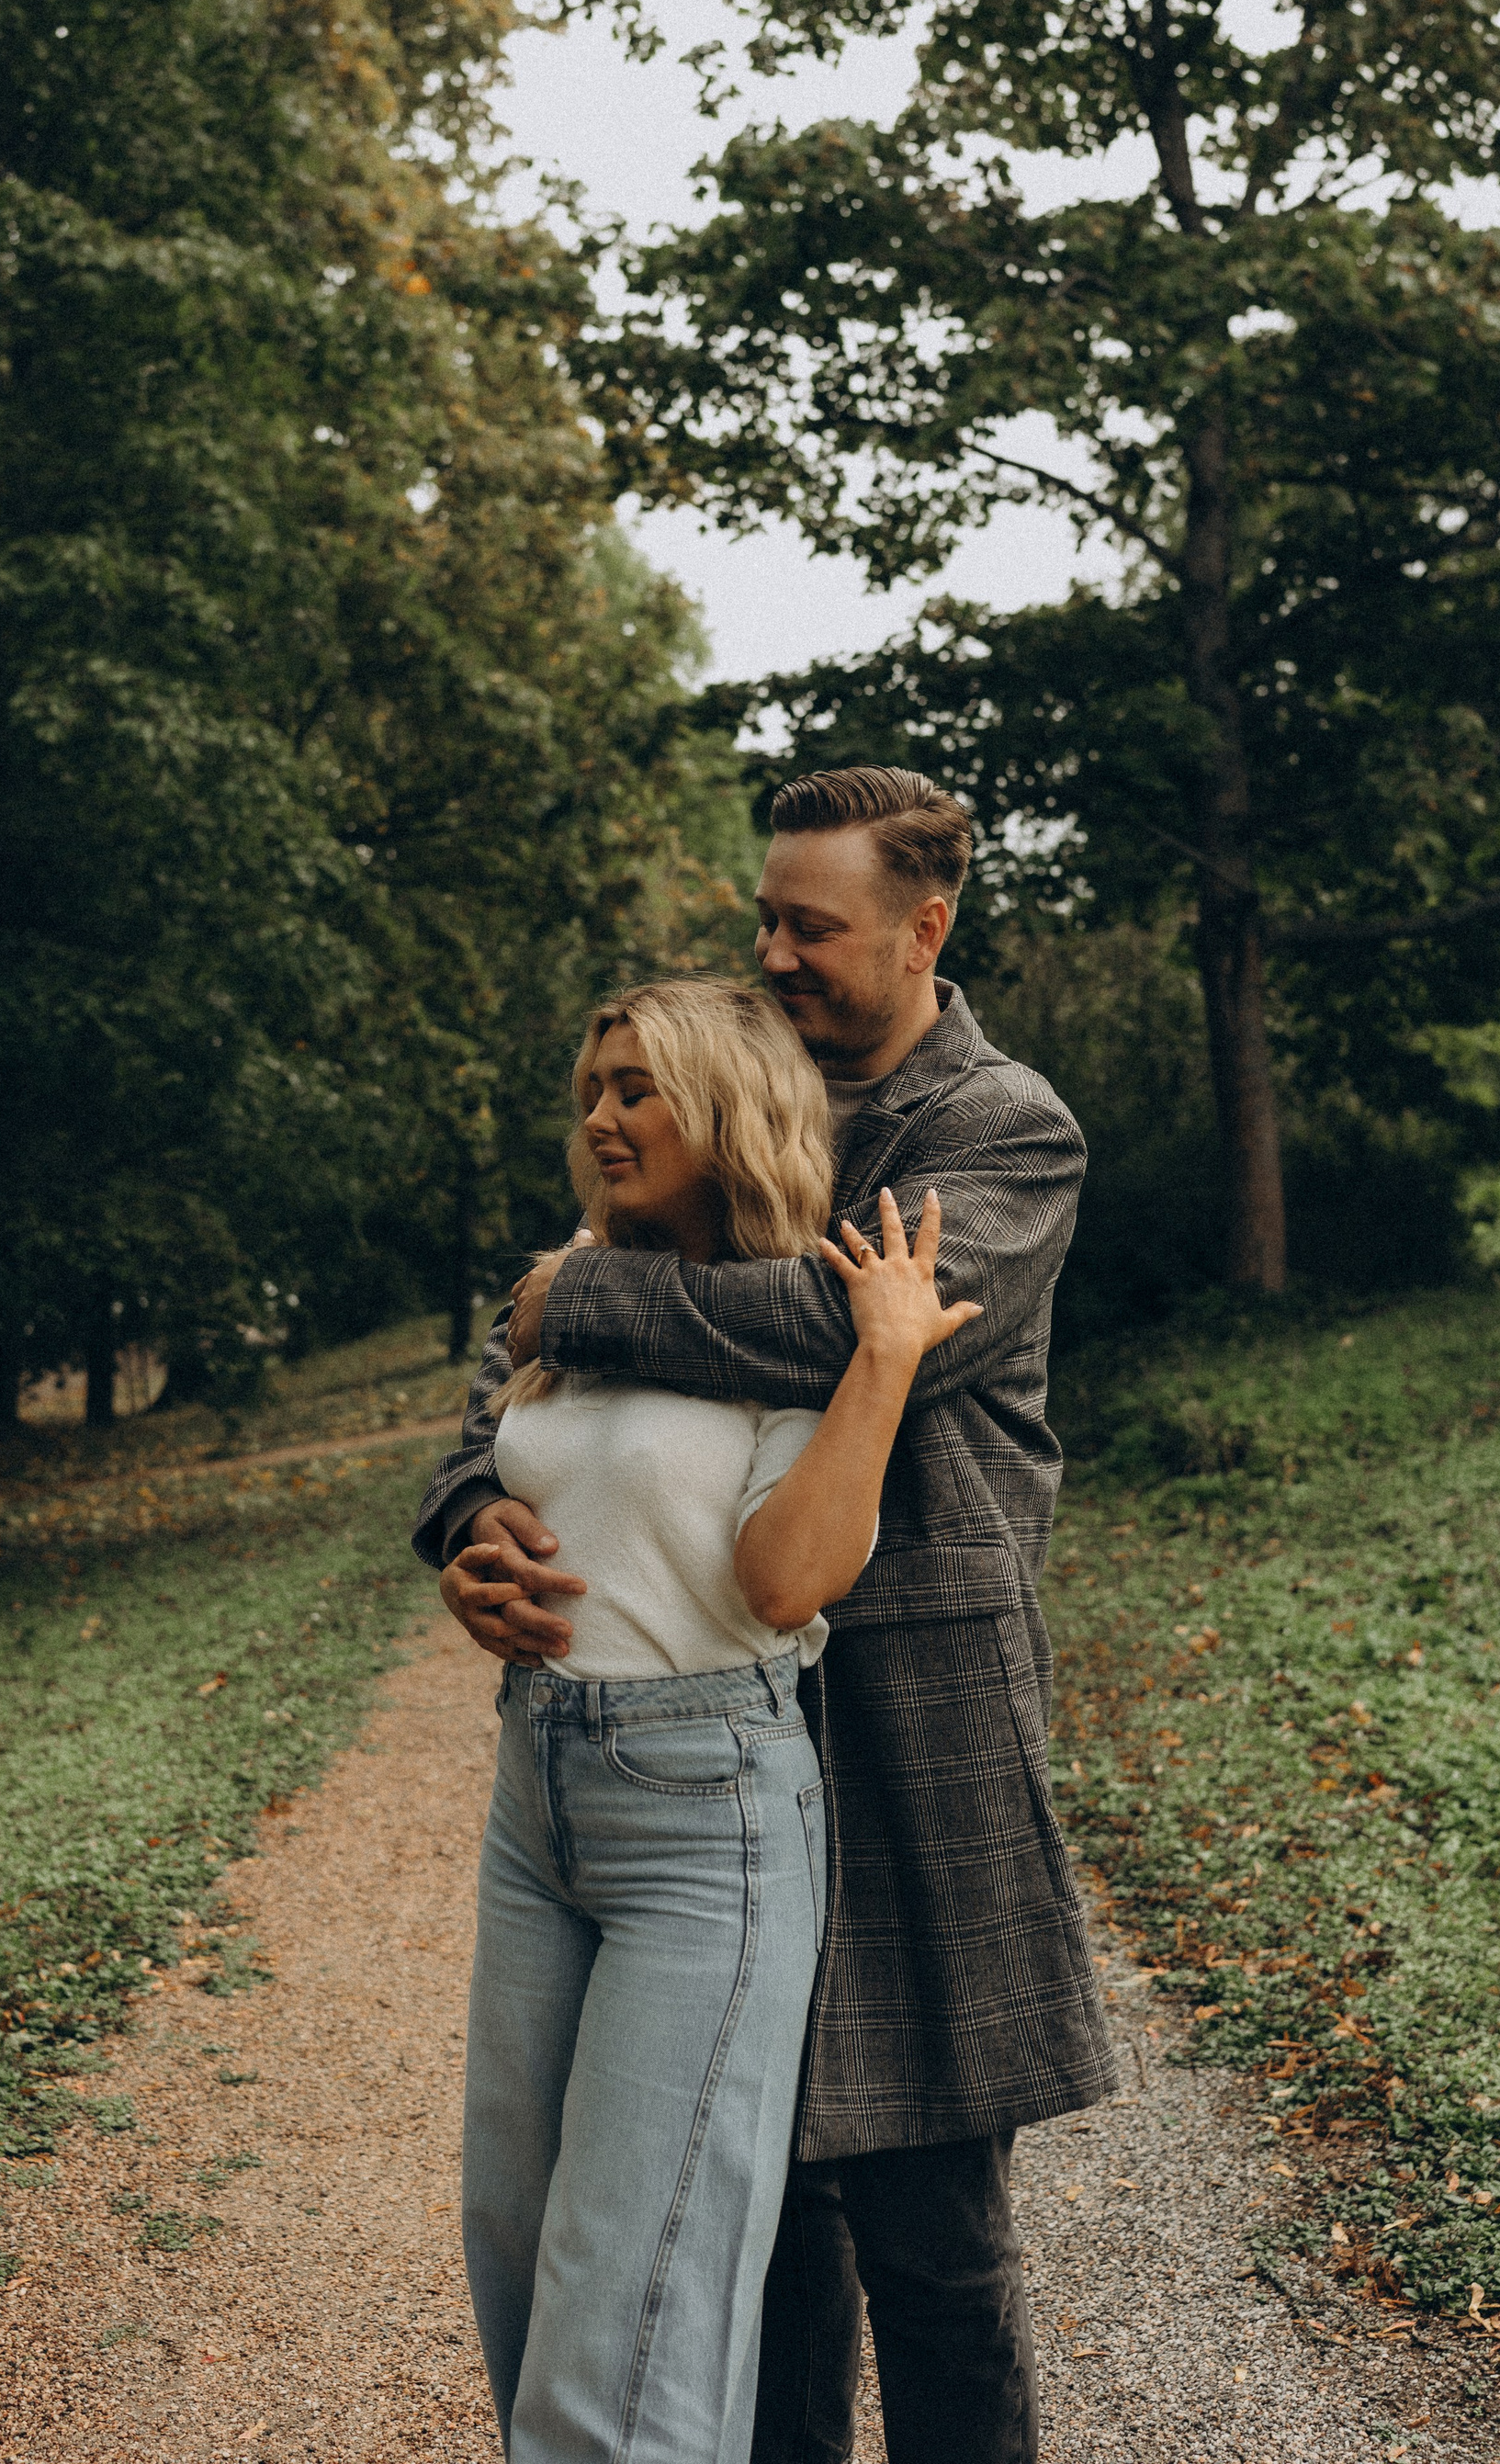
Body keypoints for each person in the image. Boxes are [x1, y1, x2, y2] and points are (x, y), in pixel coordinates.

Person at [415, 765, 1116, 2464]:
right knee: (748, 2221)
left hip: (906, 1714)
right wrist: (468, 1515)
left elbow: (836, 1331)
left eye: (815, 927)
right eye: (766, 922)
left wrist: (586, 1289)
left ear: (924, 931)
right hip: (689, 1713)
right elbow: (523, 1368)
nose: (777, 954)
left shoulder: (999, 1128)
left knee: (930, 2226)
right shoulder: (725, 1079)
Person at [438, 976, 979, 2464]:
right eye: (591, 1093)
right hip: (537, 1790)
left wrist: (882, 1360)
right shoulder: (571, 1283)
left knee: (635, 2285)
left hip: (708, 1809)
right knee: (517, 2235)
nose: (600, 1120)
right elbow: (487, 1461)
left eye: (636, 1089)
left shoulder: (798, 1316)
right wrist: (475, 1529)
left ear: (726, 1109)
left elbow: (788, 1578)